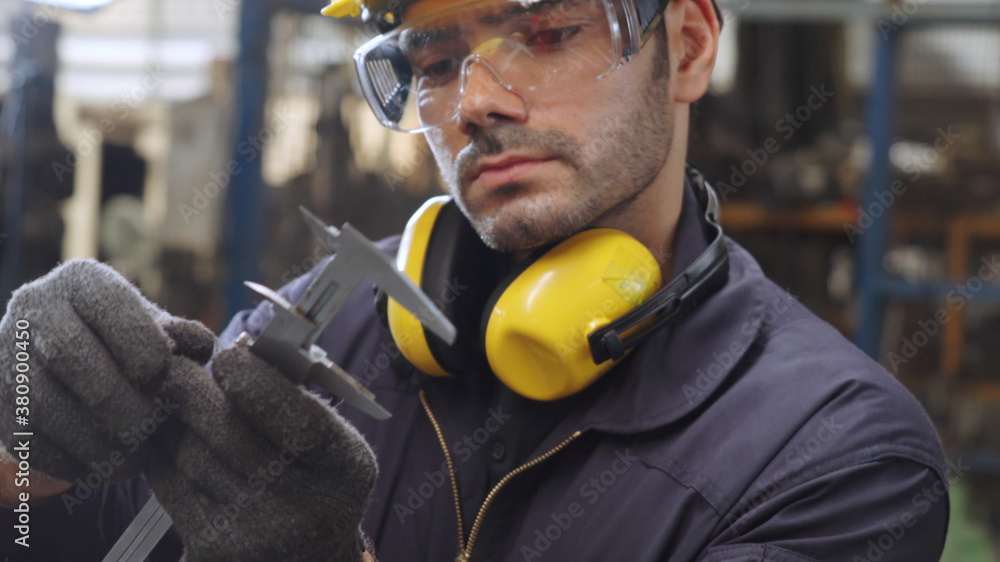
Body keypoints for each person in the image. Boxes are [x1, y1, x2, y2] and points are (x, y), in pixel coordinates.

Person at [0, 0, 951, 560]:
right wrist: (29, 436)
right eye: (436, 61)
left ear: (690, 47)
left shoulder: (838, 458)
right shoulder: (336, 323)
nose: (475, 103)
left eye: (545, 32)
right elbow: (79, 537)